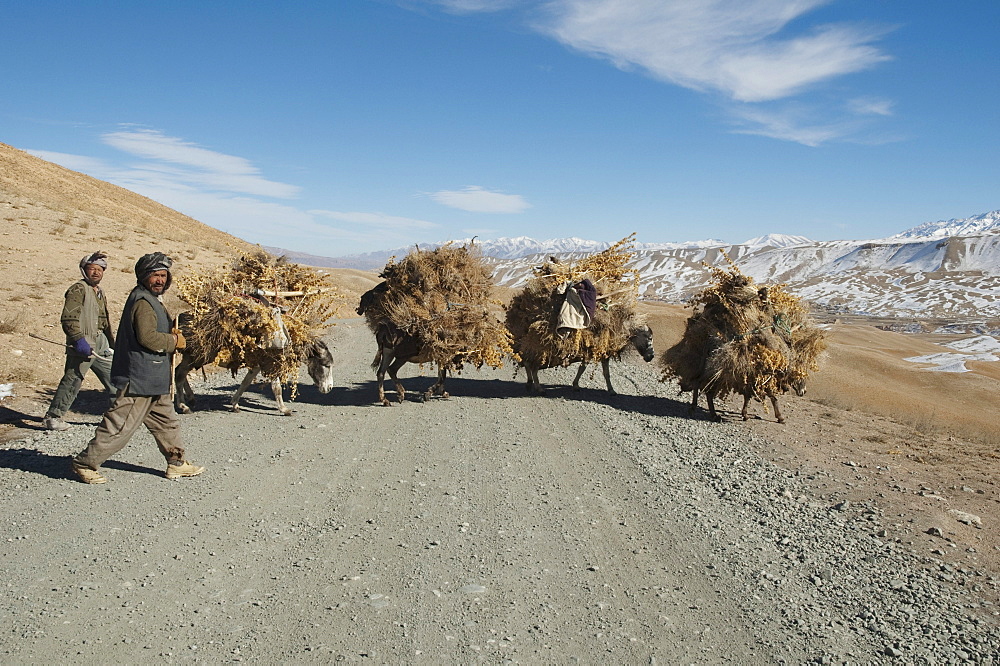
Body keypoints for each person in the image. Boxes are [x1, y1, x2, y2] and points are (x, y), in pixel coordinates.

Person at [70, 252, 204, 484]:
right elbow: (148, 338)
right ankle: (85, 463)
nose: (160, 280)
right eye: (155, 276)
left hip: (154, 379)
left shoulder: (150, 299)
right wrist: (174, 342)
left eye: (163, 275)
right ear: (143, 277)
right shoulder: (142, 301)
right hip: (139, 378)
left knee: (167, 422)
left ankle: (176, 462)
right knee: (120, 425)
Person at [43, 251, 116, 431]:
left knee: (117, 379)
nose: (96, 273)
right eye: (92, 269)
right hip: (84, 342)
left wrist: (110, 343)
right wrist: (78, 340)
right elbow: (68, 319)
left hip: (101, 343)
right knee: (73, 380)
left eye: (100, 269)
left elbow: (103, 319)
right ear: (84, 270)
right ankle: (53, 417)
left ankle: (119, 417)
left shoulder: (100, 291)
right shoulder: (78, 289)